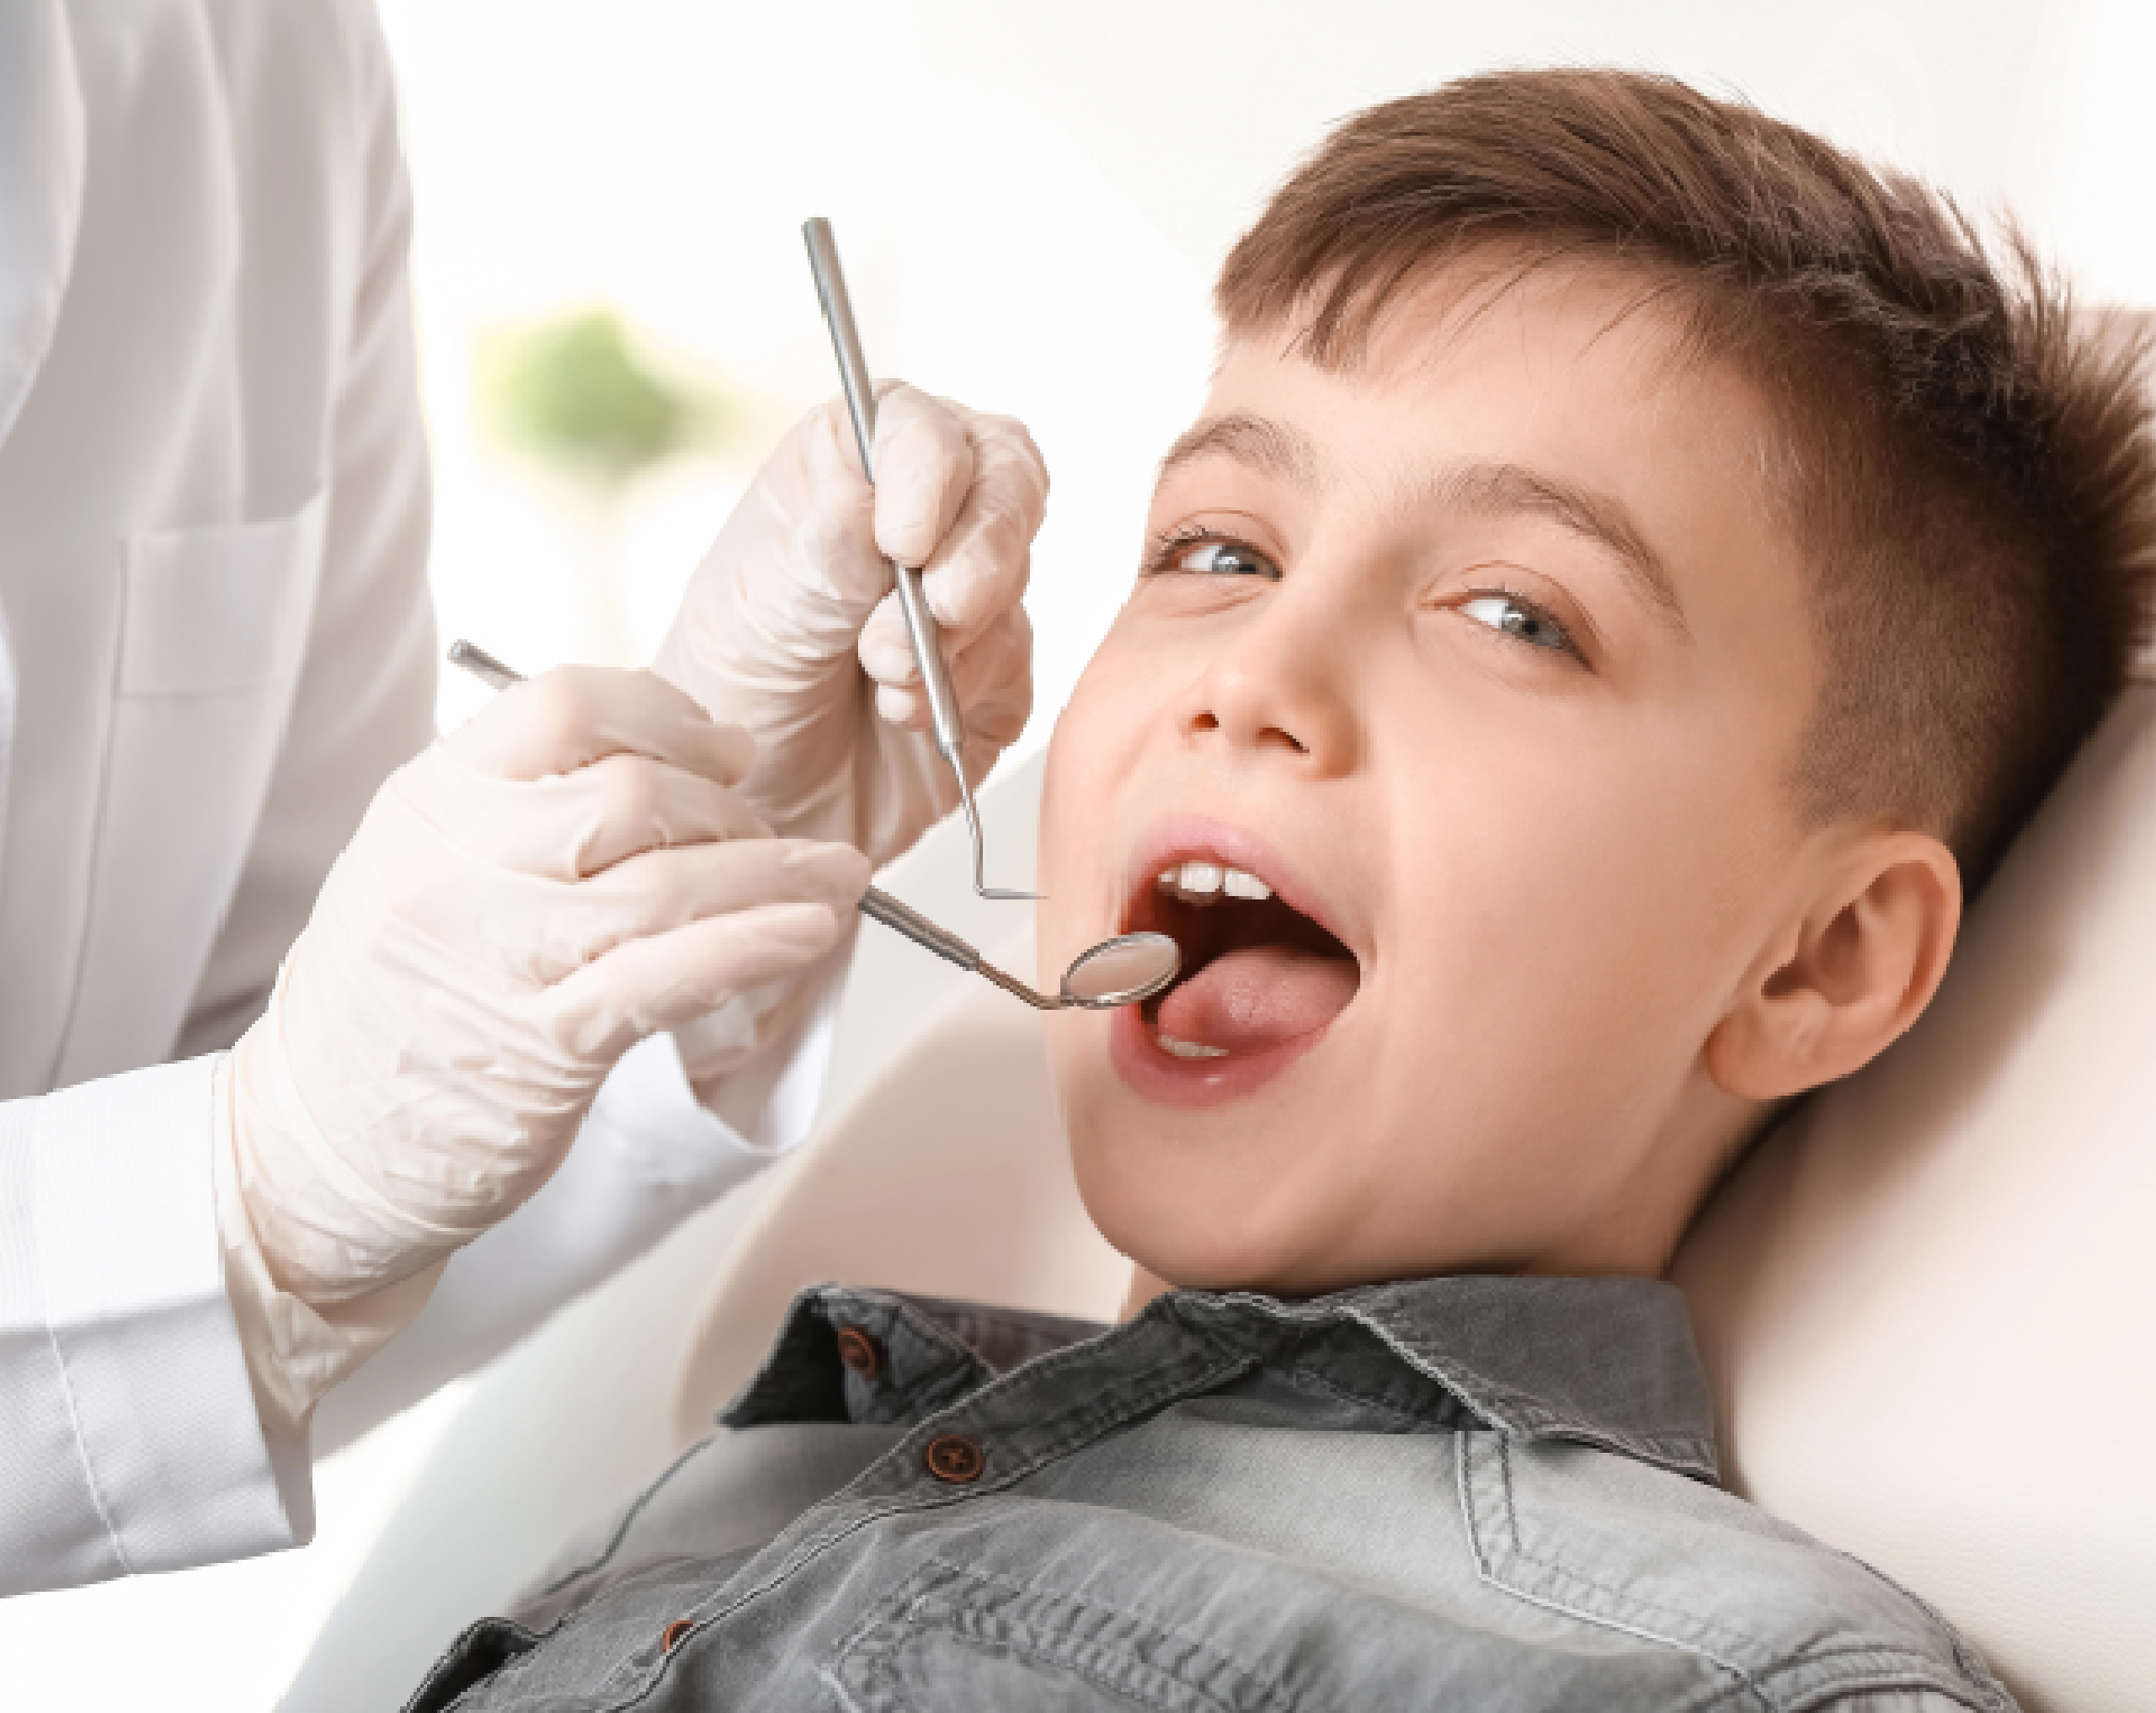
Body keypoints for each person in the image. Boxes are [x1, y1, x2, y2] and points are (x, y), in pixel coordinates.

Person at [398, 69, 2154, 1712]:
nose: (1252, 671)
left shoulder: (1710, 1677)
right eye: (1216, 551)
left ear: (1816, 962)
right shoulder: (770, 1467)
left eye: (1512, 617)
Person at [0, 0, 1043, 1596]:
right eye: (1226, 556)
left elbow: (331, 1154)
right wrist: (251, 1187)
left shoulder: (266, 59)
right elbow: (252, 1180)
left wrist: (686, 869)